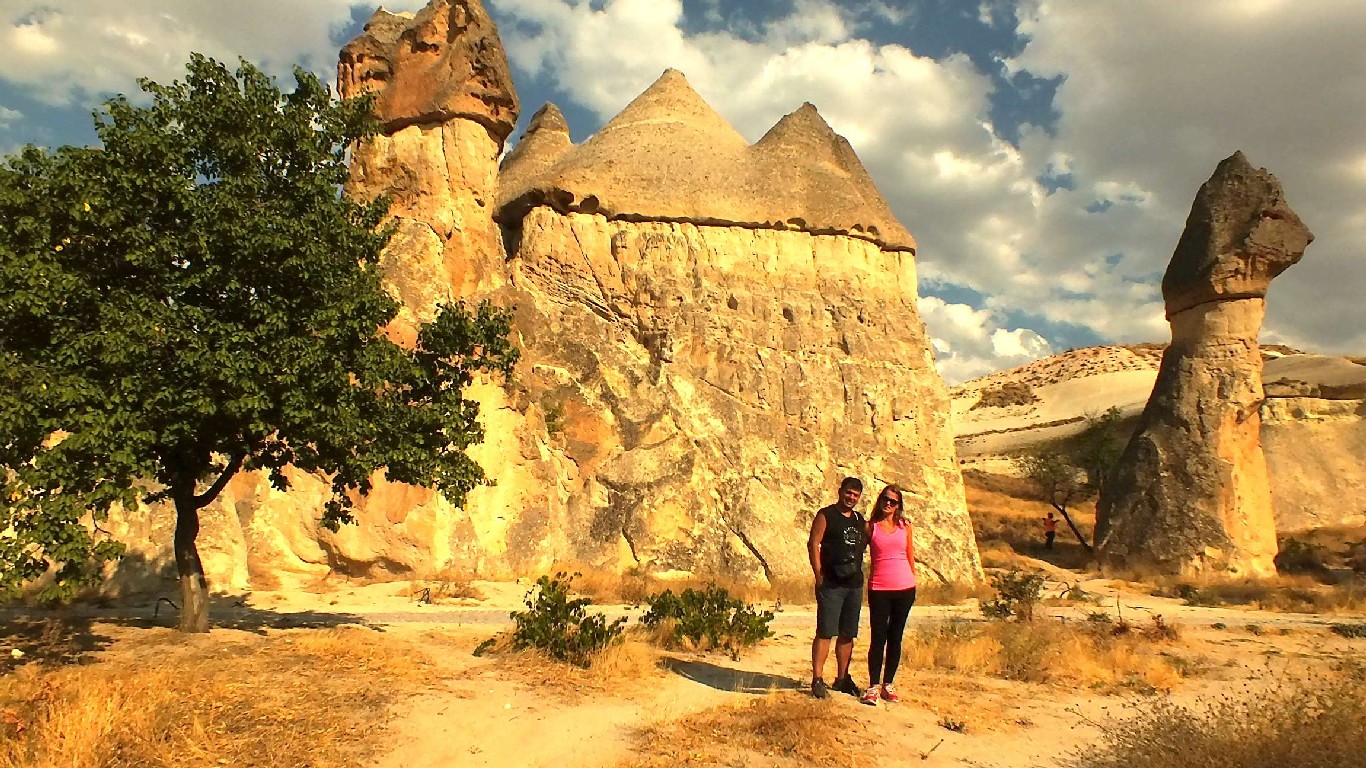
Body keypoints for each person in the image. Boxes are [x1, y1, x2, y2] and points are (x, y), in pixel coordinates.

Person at [808, 476, 867, 699]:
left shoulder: (859, 520)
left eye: (855, 494)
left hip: (853, 583)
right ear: (840, 491)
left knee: (847, 634)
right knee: (825, 631)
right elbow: (813, 544)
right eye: (848, 492)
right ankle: (818, 678)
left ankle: (842, 678)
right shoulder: (826, 515)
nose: (851, 497)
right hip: (831, 583)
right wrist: (818, 574)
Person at [860, 484, 916, 705]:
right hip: (879, 589)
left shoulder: (905, 526)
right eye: (885, 499)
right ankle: (873, 686)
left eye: (893, 501)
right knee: (878, 637)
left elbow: (910, 554)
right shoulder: (870, 527)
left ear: (898, 506)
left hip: (904, 587)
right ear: (880, 500)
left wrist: (913, 580)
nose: (888, 504)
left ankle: (888, 684)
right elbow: (857, 552)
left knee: (896, 637)